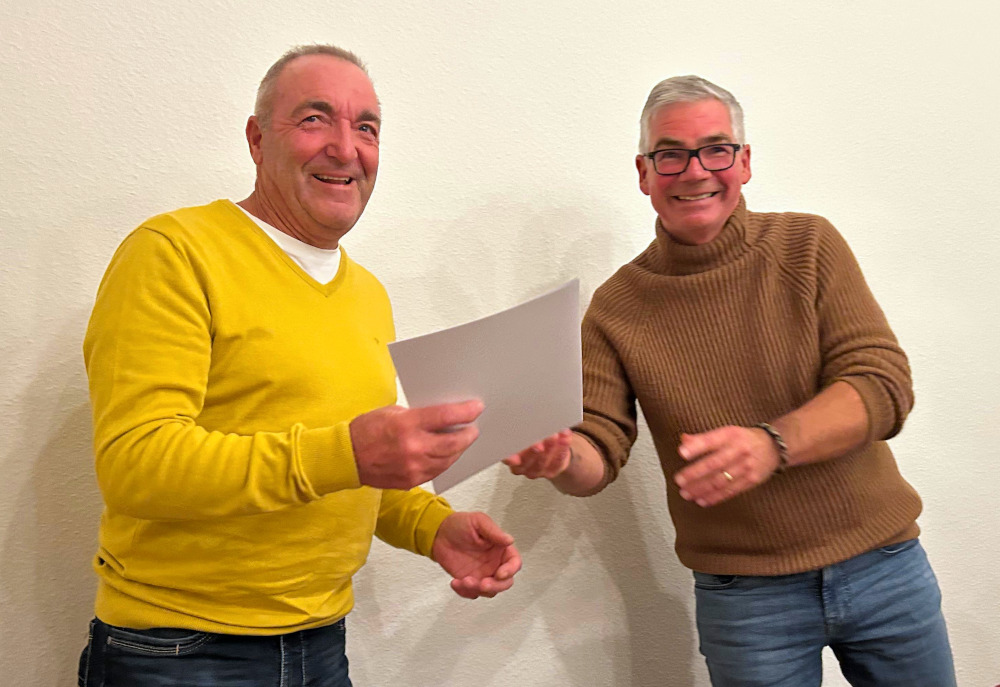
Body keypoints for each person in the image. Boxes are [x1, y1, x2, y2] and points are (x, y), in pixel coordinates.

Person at [78, 44, 522, 687]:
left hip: (322, 644)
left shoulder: (368, 293)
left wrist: (433, 528)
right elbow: (135, 464)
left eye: (366, 127)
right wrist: (348, 453)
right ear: (257, 140)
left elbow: (353, 470)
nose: (346, 148)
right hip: (178, 652)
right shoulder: (173, 252)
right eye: (315, 119)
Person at [505, 75, 956, 686]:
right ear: (643, 173)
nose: (695, 172)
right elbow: (598, 449)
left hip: (883, 564)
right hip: (746, 599)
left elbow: (882, 383)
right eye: (670, 155)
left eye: (716, 150)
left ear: (744, 162)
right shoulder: (615, 308)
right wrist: (561, 457)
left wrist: (772, 444)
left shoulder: (809, 246)